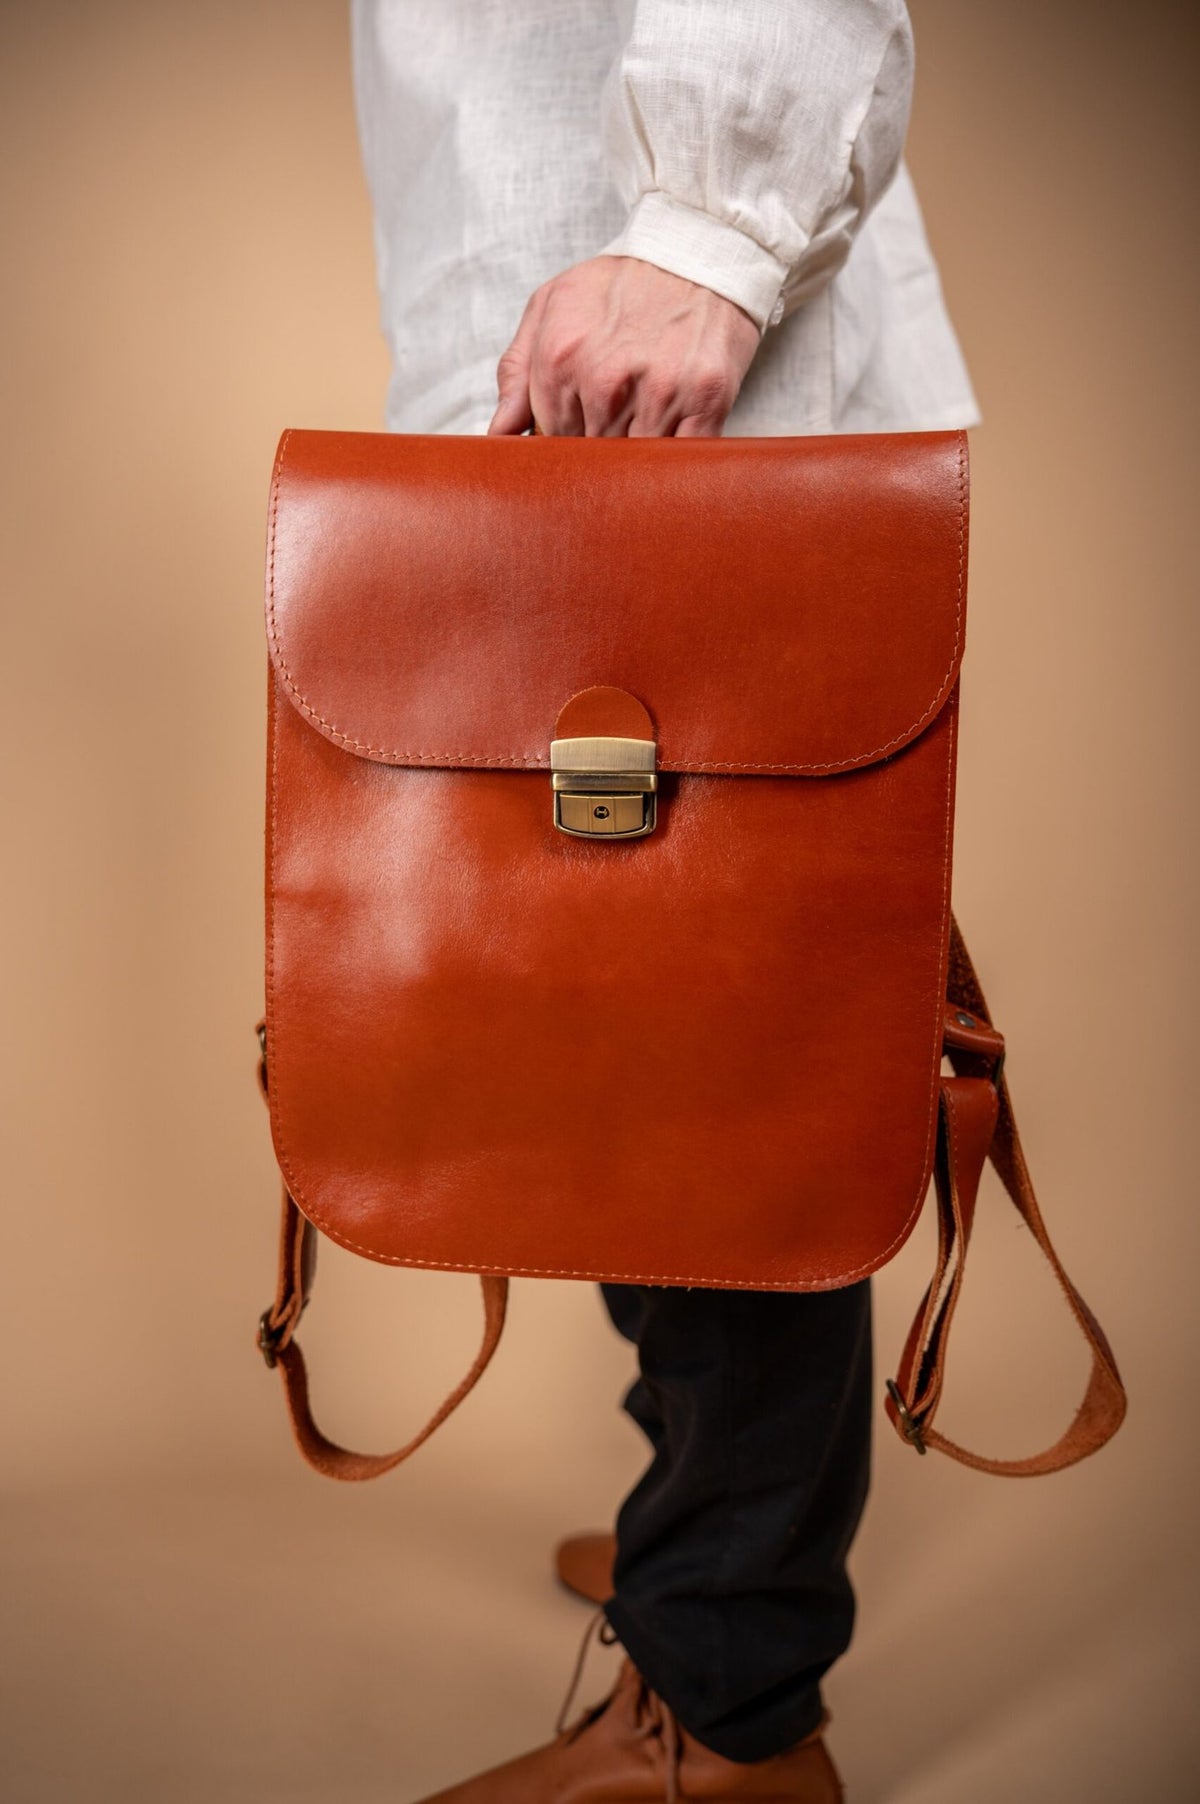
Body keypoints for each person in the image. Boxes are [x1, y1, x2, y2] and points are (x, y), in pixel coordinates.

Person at [352, 4, 979, 1797]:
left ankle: (735, 1706)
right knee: (618, 1050)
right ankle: (702, 1539)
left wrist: (710, 233)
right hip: (565, 386)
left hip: (688, 365)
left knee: (728, 1085)